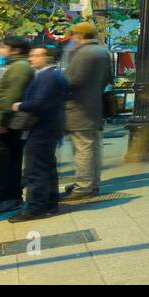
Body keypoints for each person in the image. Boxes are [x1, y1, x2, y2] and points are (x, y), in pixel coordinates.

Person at [11, 45, 69, 222]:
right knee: (47, 167)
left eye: (36, 55)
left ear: (48, 57)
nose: (31, 58)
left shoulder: (47, 76)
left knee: (36, 169)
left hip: (41, 128)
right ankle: (50, 203)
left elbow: (39, 102)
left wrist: (19, 105)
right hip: (49, 127)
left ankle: (35, 208)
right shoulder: (54, 74)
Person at [62, 21, 111, 200]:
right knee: (94, 147)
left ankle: (83, 187)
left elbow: (71, 80)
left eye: (73, 35)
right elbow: (107, 79)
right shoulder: (103, 51)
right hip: (95, 105)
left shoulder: (83, 53)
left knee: (82, 148)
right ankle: (93, 184)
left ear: (79, 36)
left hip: (78, 108)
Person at [0, 37, 34, 215]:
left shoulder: (20, 68)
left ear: (15, 50)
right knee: (5, 163)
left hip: (8, 125)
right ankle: (9, 197)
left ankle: (10, 199)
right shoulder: (16, 67)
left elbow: (11, 97)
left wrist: (1, 121)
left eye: (4, 47)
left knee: (6, 163)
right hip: (6, 123)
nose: (0, 50)